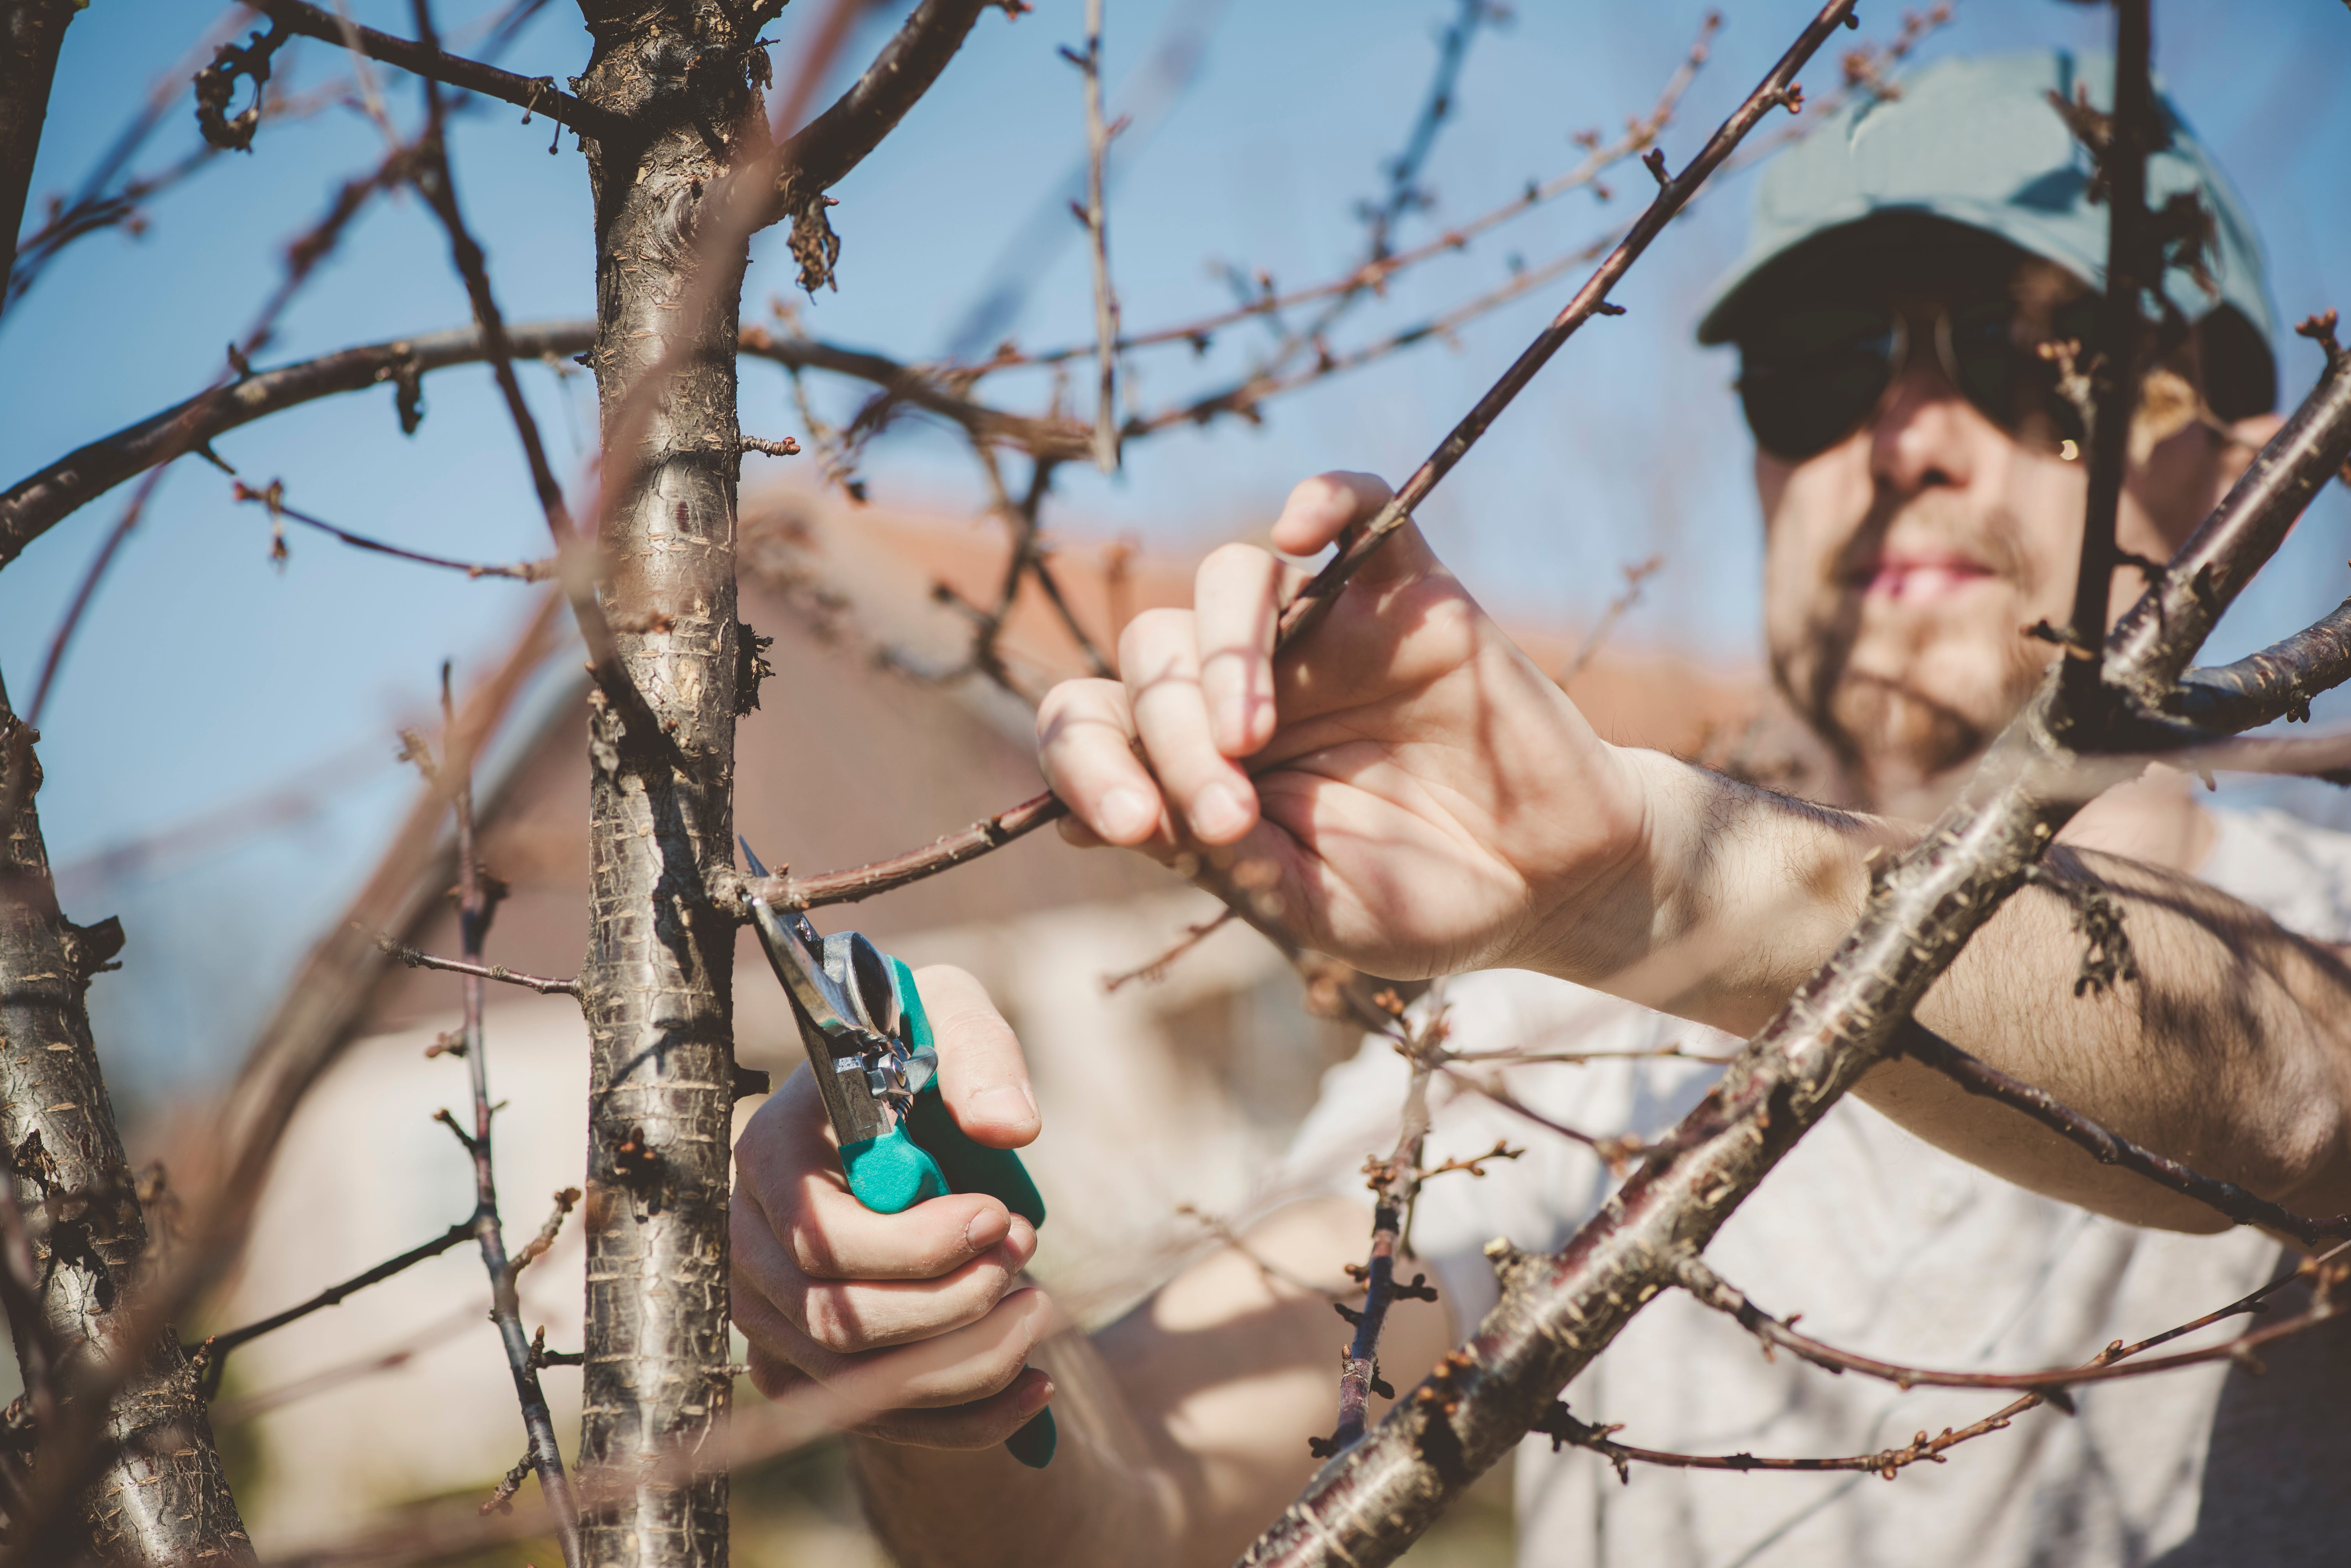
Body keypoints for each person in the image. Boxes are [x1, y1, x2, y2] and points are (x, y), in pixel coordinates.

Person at [729, 51, 2351, 1568]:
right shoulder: (1560, 1026)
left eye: (2028, 352)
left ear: (2237, 465)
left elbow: (2302, 1100)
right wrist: (948, 1377)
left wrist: (1646, 882)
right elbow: (1127, 1492)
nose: (1903, 433)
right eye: (1820, 370)